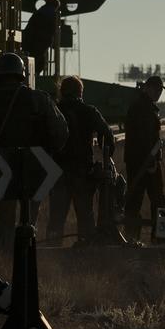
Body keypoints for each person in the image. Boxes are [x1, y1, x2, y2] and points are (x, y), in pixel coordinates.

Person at [0, 52, 68, 251]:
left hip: (0, 169)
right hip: (34, 169)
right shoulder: (39, 99)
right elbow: (61, 132)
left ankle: (5, 267)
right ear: (22, 74)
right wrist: (47, 153)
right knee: (29, 224)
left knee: (3, 227)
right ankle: (27, 262)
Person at [46, 75, 115, 247]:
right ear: (80, 92)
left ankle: (52, 251)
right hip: (82, 173)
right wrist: (106, 158)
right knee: (85, 217)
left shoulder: (54, 110)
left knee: (56, 218)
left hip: (57, 174)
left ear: (61, 92)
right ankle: (86, 251)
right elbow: (107, 136)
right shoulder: (89, 111)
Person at [123, 74, 165, 243]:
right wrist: (150, 161)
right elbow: (144, 137)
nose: (158, 93)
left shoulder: (143, 106)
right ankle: (158, 237)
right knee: (155, 199)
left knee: (137, 200)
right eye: (155, 89)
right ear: (147, 88)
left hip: (142, 161)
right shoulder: (143, 108)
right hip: (144, 162)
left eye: (159, 90)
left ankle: (133, 237)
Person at [22, 0, 60, 75]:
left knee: (33, 59)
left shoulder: (40, 11)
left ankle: (29, 72)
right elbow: (51, 29)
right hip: (40, 41)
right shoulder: (51, 13)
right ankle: (32, 73)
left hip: (29, 39)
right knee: (38, 60)